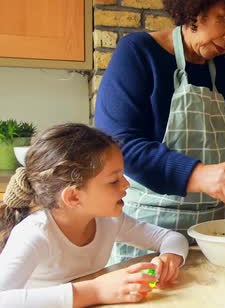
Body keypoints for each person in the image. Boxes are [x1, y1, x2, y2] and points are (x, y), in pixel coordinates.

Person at [94, 0, 225, 263]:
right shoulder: (139, 53)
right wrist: (198, 174)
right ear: (195, 7)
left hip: (219, 237)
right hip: (150, 234)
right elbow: (119, 145)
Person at [0, 124, 189, 307]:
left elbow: (171, 238)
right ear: (74, 196)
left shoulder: (109, 220)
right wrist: (96, 291)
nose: (126, 185)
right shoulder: (34, 234)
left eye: (122, 176)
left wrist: (170, 258)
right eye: (114, 180)